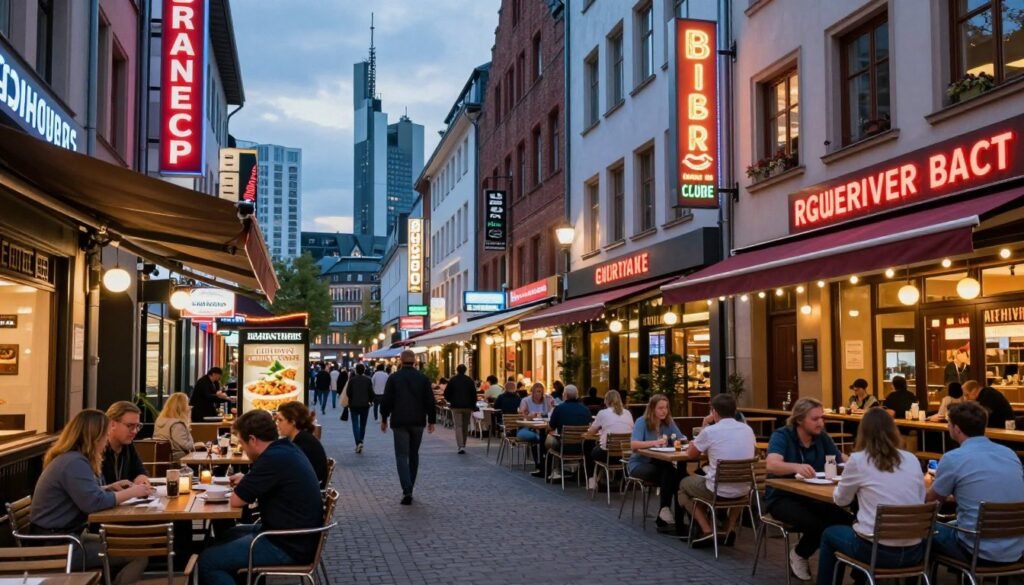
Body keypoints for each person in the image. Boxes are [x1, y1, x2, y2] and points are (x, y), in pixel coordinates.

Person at [199, 410, 323, 585]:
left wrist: (246, 482)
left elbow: (236, 501)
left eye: (242, 443)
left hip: (287, 544)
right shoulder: (285, 449)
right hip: (296, 536)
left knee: (207, 561)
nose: (242, 449)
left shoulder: (271, 459)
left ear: (253, 440)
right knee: (228, 534)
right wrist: (247, 479)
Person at [30, 410, 153, 584]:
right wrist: (132, 492)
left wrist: (108, 488)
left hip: (64, 537)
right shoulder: (74, 462)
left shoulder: (70, 459)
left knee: (131, 543)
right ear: (94, 437)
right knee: (138, 554)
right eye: (104, 435)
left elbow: (82, 494)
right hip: (56, 545)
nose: (106, 441)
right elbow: (94, 503)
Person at [817, 408, 927, 585]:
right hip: (915, 551)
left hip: (876, 551)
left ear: (863, 432)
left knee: (830, 535)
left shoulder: (859, 460)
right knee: (861, 530)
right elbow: (921, 499)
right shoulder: (912, 459)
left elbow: (841, 500)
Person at [927, 401, 1024, 565]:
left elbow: (931, 503)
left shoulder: (953, 458)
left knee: (926, 529)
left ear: (956, 429)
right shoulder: (1009, 454)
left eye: (949, 424)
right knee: (954, 523)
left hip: (976, 549)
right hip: (1016, 548)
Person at [765, 397, 851, 581]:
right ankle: (799, 553)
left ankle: (848, 569)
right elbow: (772, 465)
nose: (821, 422)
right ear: (799, 419)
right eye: (815, 419)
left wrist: (859, 464)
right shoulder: (782, 435)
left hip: (815, 497)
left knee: (847, 521)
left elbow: (840, 458)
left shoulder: (822, 437)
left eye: (822, 418)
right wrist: (795, 467)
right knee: (819, 525)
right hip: (782, 497)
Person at [677, 393, 756, 548]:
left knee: (683, 485)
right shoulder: (747, 430)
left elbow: (690, 454)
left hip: (717, 490)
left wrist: (705, 426)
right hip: (744, 490)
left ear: (714, 412)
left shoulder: (711, 431)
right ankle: (728, 528)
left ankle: (707, 530)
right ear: (735, 410)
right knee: (738, 484)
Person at [380, 349, 436, 505]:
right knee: (414, 454)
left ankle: (407, 489)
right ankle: (410, 485)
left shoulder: (394, 378)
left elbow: (387, 400)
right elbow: (430, 400)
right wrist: (431, 420)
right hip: (418, 421)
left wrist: (384, 418)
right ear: (415, 361)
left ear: (400, 360)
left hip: (399, 421)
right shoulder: (423, 378)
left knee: (401, 455)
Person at [629, 394, 686, 529]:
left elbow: (681, 438)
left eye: (666, 408)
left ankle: (666, 513)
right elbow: (634, 445)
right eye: (660, 408)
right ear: (652, 409)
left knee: (675, 473)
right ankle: (669, 514)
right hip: (640, 463)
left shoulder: (668, 422)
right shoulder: (641, 422)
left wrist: (682, 440)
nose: (664, 411)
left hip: (661, 463)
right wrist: (655, 442)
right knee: (674, 475)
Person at [585, 389, 634, 490]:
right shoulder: (628, 413)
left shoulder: (602, 413)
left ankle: (592, 479)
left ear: (606, 401)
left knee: (590, 447)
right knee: (601, 447)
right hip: (624, 454)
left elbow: (590, 433)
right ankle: (609, 478)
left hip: (608, 455)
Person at [274, 401, 328, 487]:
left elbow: (287, 471)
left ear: (293, 421)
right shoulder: (303, 438)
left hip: (307, 492)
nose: (277, 424)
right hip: (309, 489)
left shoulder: (302, 444)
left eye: (280, 420)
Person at [544, 385, 592, 480]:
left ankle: (555, 470)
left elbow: (551, 427)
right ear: (577, 395)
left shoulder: (559, 409)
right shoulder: (585, 409)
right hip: (581, 447)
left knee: (549, 439)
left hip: (564, 447)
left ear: (564, 395)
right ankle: (578, 469)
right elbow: (589, 426)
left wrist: (547, 429)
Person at [101, 401, 150, 486]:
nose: (135, 431)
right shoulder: (97, 449)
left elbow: (140, 471)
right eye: (130, 426)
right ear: (112, 424)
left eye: (137, 426)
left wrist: (141, 478)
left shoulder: (128, 445)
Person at [518, 383, 556, 478]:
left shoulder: (547, 399)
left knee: (545, 438)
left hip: (543, 426)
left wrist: (551, 405)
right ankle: (539, 463)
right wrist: (529, 416)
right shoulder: (526, 400)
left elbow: (553, 411)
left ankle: (544, 465)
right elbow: (522, 415)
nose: (540, 394)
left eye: (542, 391)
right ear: (533, 392)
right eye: (538, 391)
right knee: (536, 438)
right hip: (528, 427)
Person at [444, 364, 478, 454]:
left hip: (456, 406)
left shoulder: (453, 380)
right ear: (465, 370)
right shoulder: (469, 380)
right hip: (467, 406)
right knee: (465, 426)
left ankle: (460, 446)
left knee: (458, 426)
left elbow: (446, 393)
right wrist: (473, 404)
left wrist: (450, 400)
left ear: (457, 370)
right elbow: (474, 394)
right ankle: (463, 444)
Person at [153, 392, 195, 463]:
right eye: (187, 405)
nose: (189, 407)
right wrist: (194, 443)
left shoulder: (160, 420)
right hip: (177, 460)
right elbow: (186, 446)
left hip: (161, 457)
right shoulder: (177, 424)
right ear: (182, 408)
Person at [345, 364, 375, 452]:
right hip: (365, 405)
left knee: (355, 424)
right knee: (363, 425)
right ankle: (361, 440)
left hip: (354, 404)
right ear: (364, 370)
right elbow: (371, 393)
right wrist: (370, 401)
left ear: (356, 371)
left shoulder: (352, 380)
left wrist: (351, 399)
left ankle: (358, 442)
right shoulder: (368, 380)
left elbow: (348, 392)